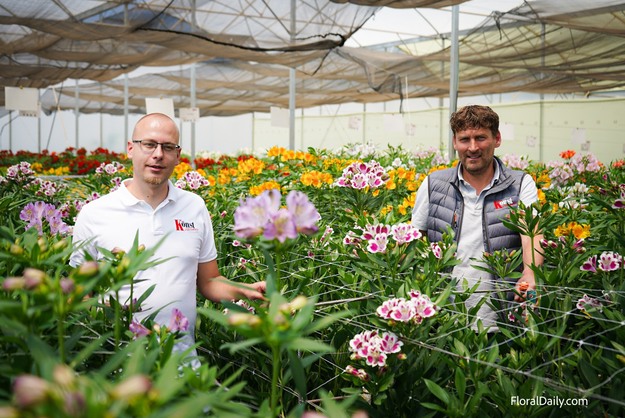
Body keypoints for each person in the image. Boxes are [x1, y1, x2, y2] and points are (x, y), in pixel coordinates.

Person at [70, 112, 265, 364]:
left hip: (182, 361)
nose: (158, 154)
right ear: (130, 148)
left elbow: (209, 281)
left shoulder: (194, 206)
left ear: (178, 154)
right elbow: (79, 293)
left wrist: (245, 290)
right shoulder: (95, 213)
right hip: (118, 364)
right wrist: (108, 321)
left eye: (168, 147)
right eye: (149, 144)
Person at [411, 105, 543, 331]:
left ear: (497, 139)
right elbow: (414, 238)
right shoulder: (433, 184)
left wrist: (530, 274)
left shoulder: (520, 184)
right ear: (455, 142)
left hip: (503, 314)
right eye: (465, 139)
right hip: (444, 316)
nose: (473, 147)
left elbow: (531, 233)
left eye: (481, 138)